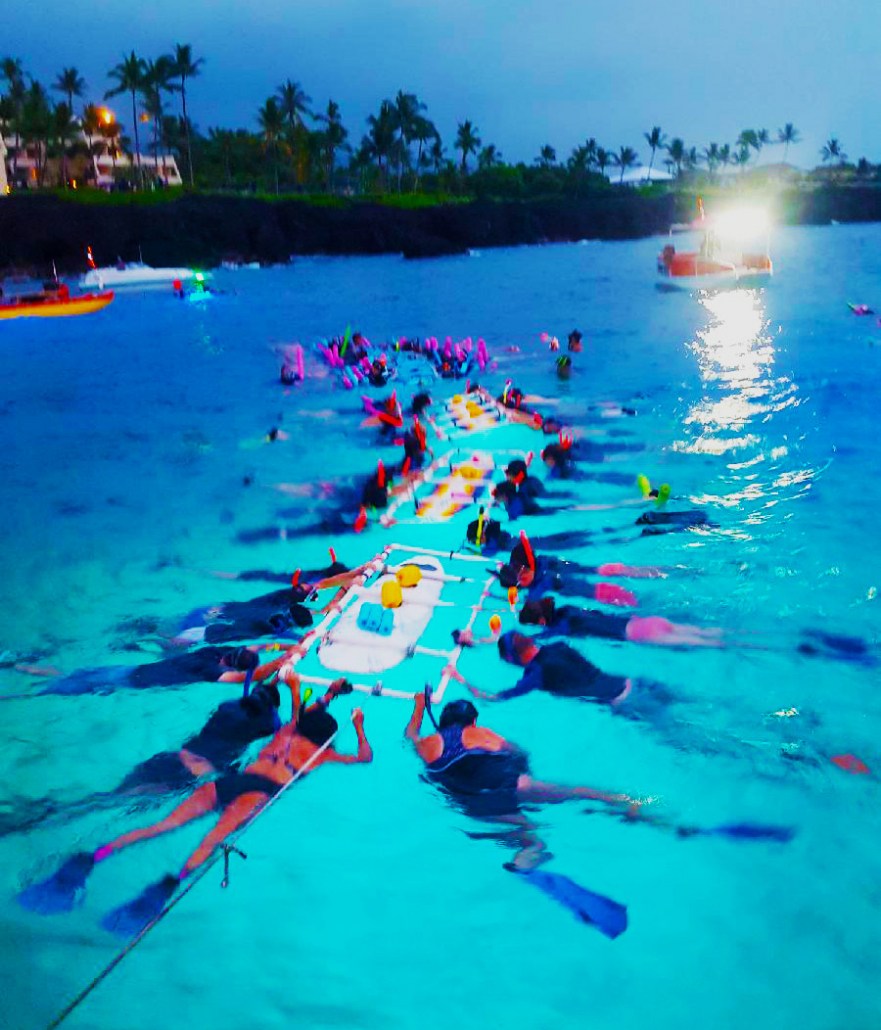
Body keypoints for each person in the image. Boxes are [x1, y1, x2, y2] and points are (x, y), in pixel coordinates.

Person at [18, 673, 372, 933]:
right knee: (210, 841)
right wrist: (357, 725)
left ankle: (86, 862)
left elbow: (300, 714)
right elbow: (364, 758)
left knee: (160, 826)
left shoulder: (285, 733)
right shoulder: (321, 757)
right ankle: (161, 892)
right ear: (326, 739)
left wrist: (315, 692)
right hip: (257, 793)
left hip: (231, 782)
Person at [405, 693, 637, 870]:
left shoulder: (427, 744)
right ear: (472, 721)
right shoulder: (479, 733)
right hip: (507, 779)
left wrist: (419, 706)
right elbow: (517, 752)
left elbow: (410, 735)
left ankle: (529, 852)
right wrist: (524, 775)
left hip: (473, 798)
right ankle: (624, 803)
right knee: (574, 792)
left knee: (526, 831)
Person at [519, 596, 725, 648]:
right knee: (707, 632)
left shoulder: (564, 626)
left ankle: (750, 645)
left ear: (542, 620)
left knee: (709, 645)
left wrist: (531, 637)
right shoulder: (568, 609)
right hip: (644, 621)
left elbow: (547, 635)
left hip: (641, 635)